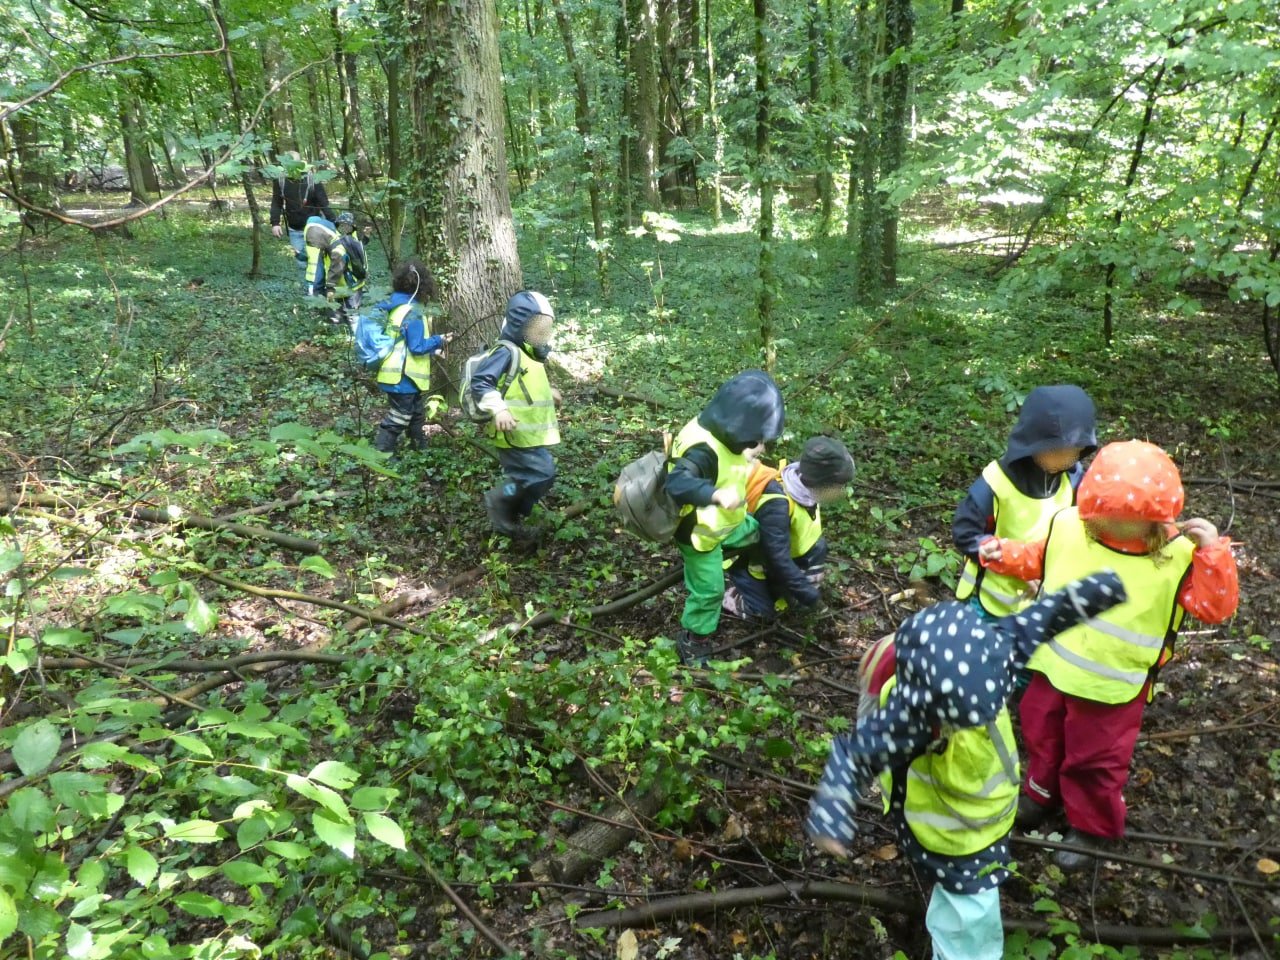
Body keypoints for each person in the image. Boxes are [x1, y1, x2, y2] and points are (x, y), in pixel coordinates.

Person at [805, 572, 1128, 960]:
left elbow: (1050, 613)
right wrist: (830, 817)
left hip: (980, 810)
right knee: (967, 914)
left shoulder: (997, 646)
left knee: (962, 901)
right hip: (952, 831)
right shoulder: (910, 721)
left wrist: (1104, 587)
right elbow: (854, 757)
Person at [978, 439, 1239, 868]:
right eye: (1107, 517)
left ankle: (1091, 828)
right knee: (1041, 734)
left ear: (1159, 518)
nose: (1116, 528)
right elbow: (1039, 559)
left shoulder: (1177, 556)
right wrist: (1002, 553)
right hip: (1051, 665)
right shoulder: (1068, 525)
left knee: (1095, 759)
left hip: (1114, 686)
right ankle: (1039, 795)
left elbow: (1215, 606)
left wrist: (1213, 553)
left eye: (1132, 522)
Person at [663, 370, 785, 666]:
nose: (761, 449)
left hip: (727, 522)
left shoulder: (724, 429)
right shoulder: (703, 450)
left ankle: (747, 576)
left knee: (758, 534)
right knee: (709, 592)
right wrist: (716, 494)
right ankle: (694, 640)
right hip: (701, 535)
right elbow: (676, 483)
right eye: (757, 441)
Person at [953, 384, 1097, 618]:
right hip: (989, 604)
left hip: (1040, 606)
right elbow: (965, 533)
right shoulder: (996, 483)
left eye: (1075, 449)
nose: (1067, 458)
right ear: (1035, 443)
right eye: (1058, 451)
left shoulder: (1072, 479)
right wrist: (1002, 556)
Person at [722, 435, 855, 622]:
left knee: (794, 598)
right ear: (821, 481)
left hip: (795, 560)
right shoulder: (776, 505)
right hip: (757, 564)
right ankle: (728, 592)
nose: (840, 491)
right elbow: (777, 558)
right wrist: (809, 596)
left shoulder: (807, 492)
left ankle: (783, 589)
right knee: (760, 614)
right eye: (838, 485)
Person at [470, 291, 561, 541]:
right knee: (542, 474)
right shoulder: (506, 351)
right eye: (536, 327)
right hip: (513, 433)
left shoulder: (528, 354)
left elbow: (524, 384)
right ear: (521, 324)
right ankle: (501, 500)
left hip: (526, 434)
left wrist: (547, 392)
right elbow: (482, 382)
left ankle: (507, 508)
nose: (542, 333)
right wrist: (498, 409)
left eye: (545, 327)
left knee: (528, 477)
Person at [371, 260, 450, 455]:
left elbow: (403, 342)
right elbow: (416, 347)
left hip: (401, 376)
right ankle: (382, 451)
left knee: (416, 414)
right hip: (402, 378)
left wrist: (432, 351)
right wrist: (438, 340)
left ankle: (420, 448)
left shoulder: (398, 306)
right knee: (400, 415)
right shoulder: (412, 312)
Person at [269, 153, 336, 288]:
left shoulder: (312, 179)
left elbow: (323, 203)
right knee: (302, 262)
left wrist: (334, 223)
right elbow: (276, 203)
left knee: (319, 260)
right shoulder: (280, 180)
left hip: (314, 229)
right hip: (296, 229)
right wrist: (275, 223)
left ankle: (323, 289)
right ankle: (310, 291)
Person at [327, 212, 373, 327]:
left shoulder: (353, 237)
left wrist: (366, 236)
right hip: (343, 284)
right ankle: (350, 334)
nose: (345, 228)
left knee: (352, 311)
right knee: (345, 312)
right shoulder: (337, 241)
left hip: (356, 283)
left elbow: (359, 247)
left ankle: (352, 334)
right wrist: (330, 286)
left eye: (347, 225)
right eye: (342, 225)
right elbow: (336, 263)